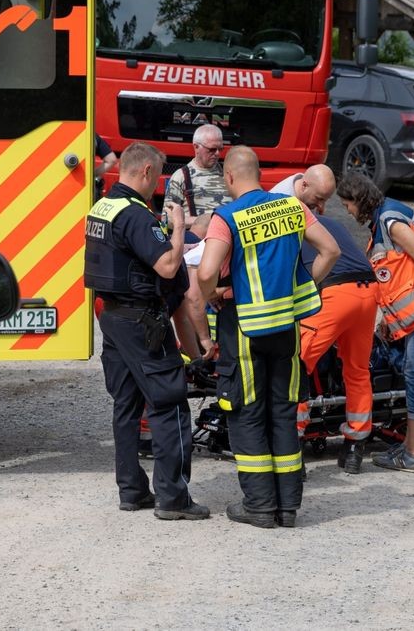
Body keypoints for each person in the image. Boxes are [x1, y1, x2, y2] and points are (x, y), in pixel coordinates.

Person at [197, 146, 340, 528]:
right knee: (282, 411)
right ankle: (287, 507)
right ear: (258, 173)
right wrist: (304, 289)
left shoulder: (227, 216)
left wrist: (213, 294)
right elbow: (331, 249)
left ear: (229, 177)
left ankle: (259, 506)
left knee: (246, 414)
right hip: (286, 330)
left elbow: (207, 270)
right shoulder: (291, 207)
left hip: (244, 331)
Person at [84, 141, 209, 521]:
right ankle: (173, 499)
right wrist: (177, 226)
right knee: (168, 404)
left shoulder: (101, 206)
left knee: (126, 406)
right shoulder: (135, 215)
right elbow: (170, 267)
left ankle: (132, 490)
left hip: (114, 318)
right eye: (156, 177)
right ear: (145, 172)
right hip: (142, 322)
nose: (156, 185)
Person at [337, 172, 414, 474]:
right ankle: (409, 446)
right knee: (413, 370)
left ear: (359, 199)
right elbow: (397, 274)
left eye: (348, 204)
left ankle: (413, 455)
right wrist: (387, 319)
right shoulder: (384, 218)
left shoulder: (390, 220)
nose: (348, 211)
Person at [273, 165, 377, 474]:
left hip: (336, 292)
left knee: (297, 364)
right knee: (357, 371)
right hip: (369, 291)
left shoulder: (293, 223)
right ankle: (355, 447)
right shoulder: (334, 224)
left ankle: (293, 446)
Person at [166, 124, 227, 228]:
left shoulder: (229, 173)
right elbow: (168, 219)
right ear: (196, 147)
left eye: (220, 149)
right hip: (196, 241)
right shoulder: (181, 177)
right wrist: (208, 221)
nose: (217, 154)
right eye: (212, 149)